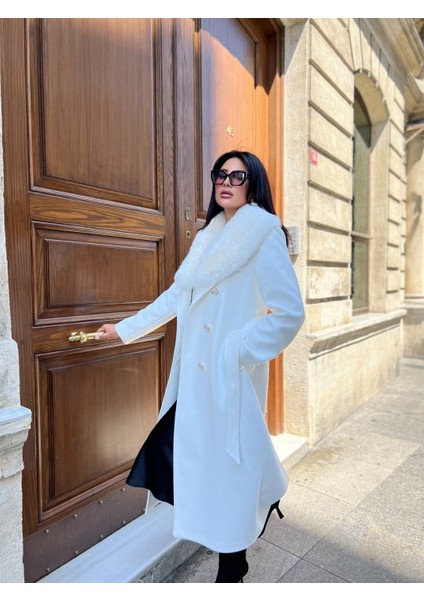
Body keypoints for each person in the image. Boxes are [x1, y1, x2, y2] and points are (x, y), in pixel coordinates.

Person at [95, 150, 305, 583]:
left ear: (253, 184)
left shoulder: (264, 233)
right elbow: (177, 296)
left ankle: (231, 565)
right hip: (194, 378)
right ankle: (234, 549)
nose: (226, 182)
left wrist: (237, 350)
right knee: (197, 463)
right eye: (220, 174)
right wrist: (124, 329)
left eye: (237, 176)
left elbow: (289, 314)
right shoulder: (207, 236)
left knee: (231, 470)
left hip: (227, 378)